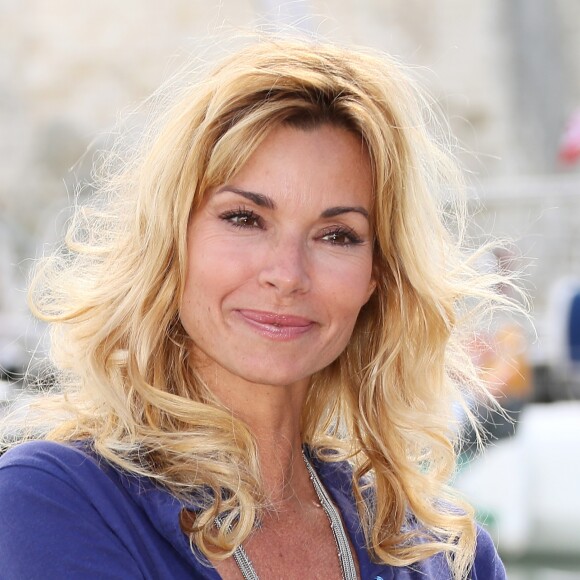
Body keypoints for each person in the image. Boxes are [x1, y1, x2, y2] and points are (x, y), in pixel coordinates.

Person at [0, 37, 508, 579]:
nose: (287, 274)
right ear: (171, 240)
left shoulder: (445, 552)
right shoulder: (51, 502)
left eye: (337, 235)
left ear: (377, 277)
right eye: (244, 218)